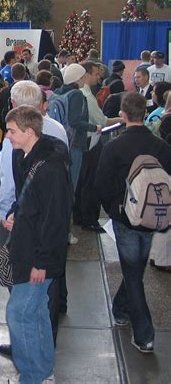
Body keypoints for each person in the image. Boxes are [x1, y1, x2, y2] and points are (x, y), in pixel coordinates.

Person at [95, 91, 171, 354]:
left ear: (123, 115)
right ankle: (120, 309)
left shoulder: (114, 146)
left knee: (133, 272)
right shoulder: (161, 146)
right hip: (153, 217)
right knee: (134, 269)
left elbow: (102, 184)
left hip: (125, 217)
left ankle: (145, 335)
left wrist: (115, 211)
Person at [4, 106, 72, 384]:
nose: (7, 136)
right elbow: (33, 203)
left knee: (18, 313)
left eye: (12, 131)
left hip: (38, 256)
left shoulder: (49, 168)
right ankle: (43, 372)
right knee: (37, 312)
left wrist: (42, 262)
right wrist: (15, 215)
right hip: (29, 248)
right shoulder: (31, 159)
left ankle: (31, 376)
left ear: (30, 132)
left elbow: (56, 220)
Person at [75, 62, 122, 233]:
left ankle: (80, 215)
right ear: (86, 75)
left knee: (82, 181)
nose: (98, 77)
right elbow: (101, 121)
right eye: (95, 74)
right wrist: (122, 120)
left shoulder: (81, 94)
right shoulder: (86, 96)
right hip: (91, 144)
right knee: (91, 182)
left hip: (84, 143)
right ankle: (89, 219)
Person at [54, 63, 101, 195]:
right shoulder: (77, 95)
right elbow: (75, 121)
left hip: (61, 142)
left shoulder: (58, 92)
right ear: (78, 79)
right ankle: (68, 214)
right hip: (74, 144)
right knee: (71, 185)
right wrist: (93, 127)